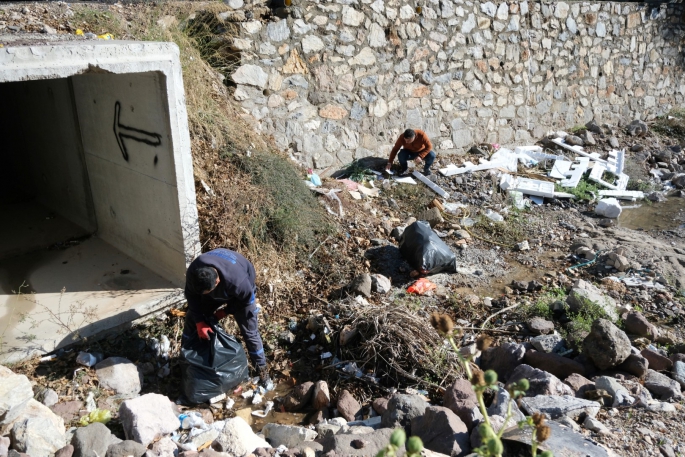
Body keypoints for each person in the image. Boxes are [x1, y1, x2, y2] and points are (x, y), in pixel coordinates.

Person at [184, 248, 269, 383]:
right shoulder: (194, 271)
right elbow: (191, 296)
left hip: (242, 294)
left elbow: (247, 300)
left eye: (207, 292)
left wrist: (225, 311)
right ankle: (187, 360)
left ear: (217, 282)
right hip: (217, 290)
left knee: (250, 332)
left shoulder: (238, 281)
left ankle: (262, 369)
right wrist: (199, 322)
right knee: (191, 317)